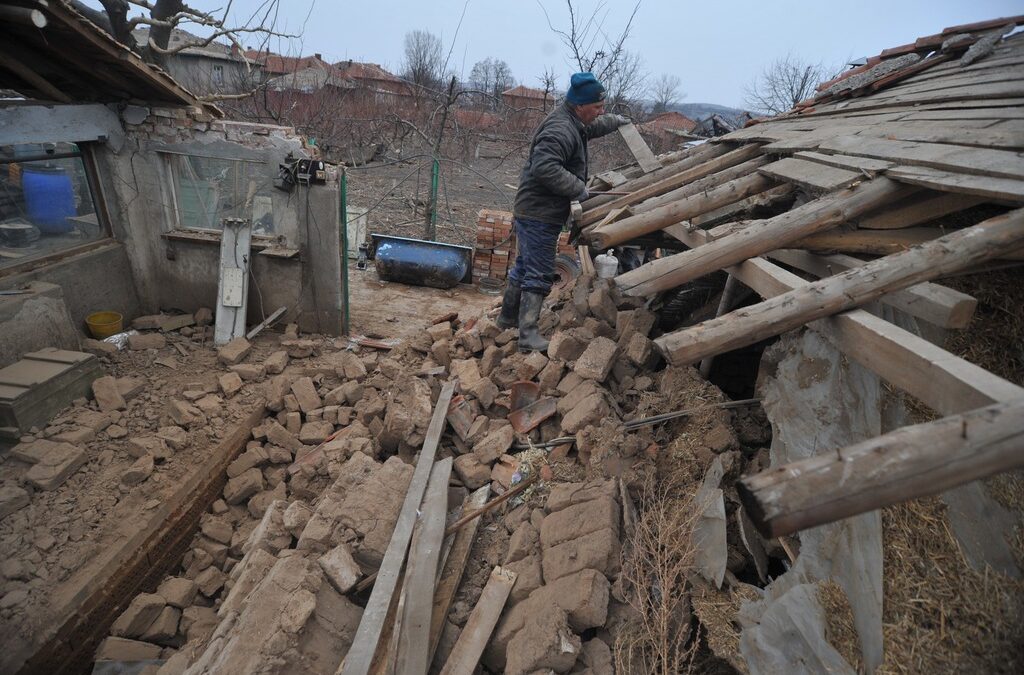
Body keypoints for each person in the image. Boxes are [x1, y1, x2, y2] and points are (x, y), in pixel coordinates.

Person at [497, 72, 629, 352]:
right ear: (580, 105)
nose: (600, 111)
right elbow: (544, 167)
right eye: (597, 107)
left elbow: (592, 127)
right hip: (538, 213)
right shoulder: (560, 129)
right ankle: (527, 336)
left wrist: (615, 122)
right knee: (540, 272)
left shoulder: (574, 121)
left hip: (535, 209)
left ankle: (506, 319)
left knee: (523, 267)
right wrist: (577, 188)